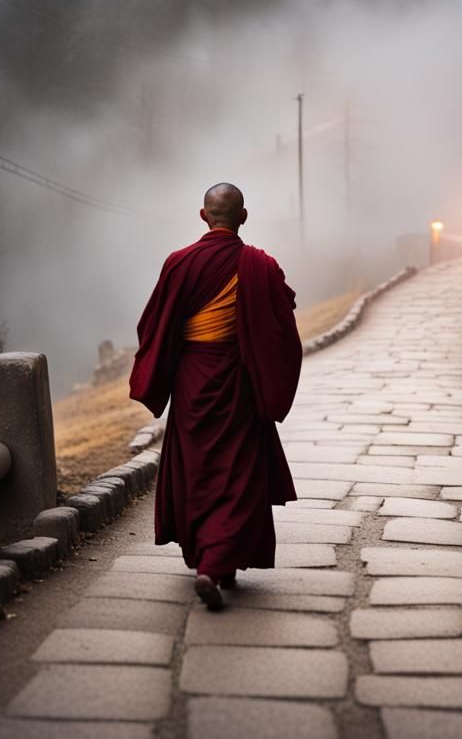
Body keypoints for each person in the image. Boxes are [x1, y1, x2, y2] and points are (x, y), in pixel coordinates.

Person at [128, 183, 301, 610]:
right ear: (243, 217)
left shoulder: (179, 263)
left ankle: (211, 562)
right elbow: (282, 333)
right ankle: (216, 563)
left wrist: (162, 372)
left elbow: (154, 326)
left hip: (192, 383)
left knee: (198, 469)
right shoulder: (261, 266)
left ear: (203, 216)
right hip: (239, 381)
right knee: (238, 473)